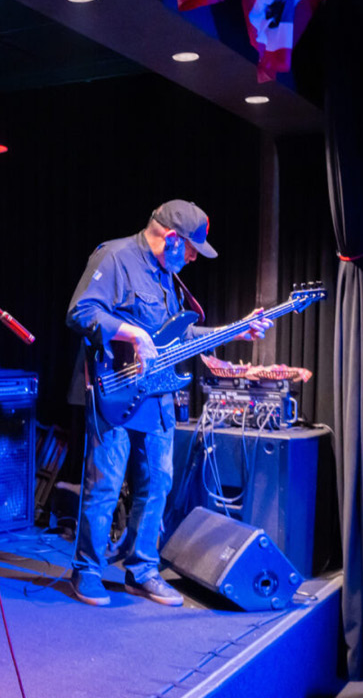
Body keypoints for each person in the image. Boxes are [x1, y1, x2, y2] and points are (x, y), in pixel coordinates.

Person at [66, 199, 270, 607]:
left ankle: (141, 571)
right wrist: (129, 332)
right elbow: (80, 311)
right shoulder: (116, 257)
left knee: (157, 483)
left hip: (156, 397)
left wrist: (236, 331)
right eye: (192, 249)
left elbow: (179, 340)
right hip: (116, 392)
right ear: (172, 239)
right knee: (105, 483)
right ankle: (86, 569)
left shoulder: (168, 277)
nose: (194, 257)